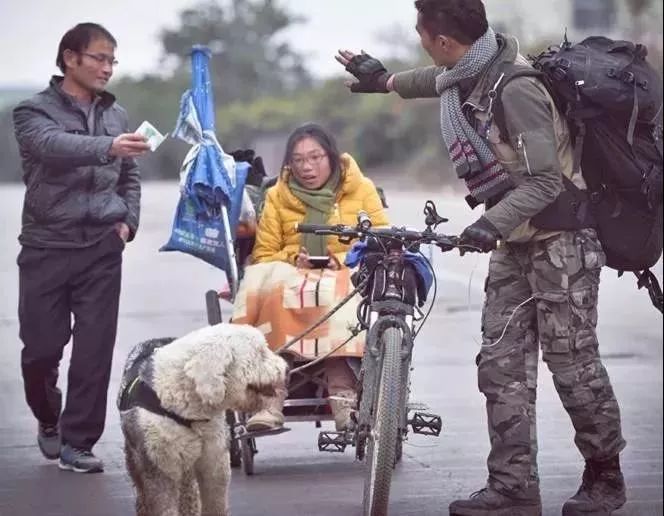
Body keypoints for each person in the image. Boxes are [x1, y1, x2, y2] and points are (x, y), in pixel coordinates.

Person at [336, 1, 626, 515]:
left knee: (573, 367)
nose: (421, 40)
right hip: (516, 245)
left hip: (561, 248)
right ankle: (513, 484)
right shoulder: (469, 72)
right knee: (500, 366)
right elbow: (433, 79)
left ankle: (605, 478)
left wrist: (488, 224)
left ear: (444, 41)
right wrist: (381, 81)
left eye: (422, 33)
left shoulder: (516, 90)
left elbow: (544, 181)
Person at [13, 22, 150, 473]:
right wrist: (108, 147)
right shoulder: (32, 112)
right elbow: (53, 147)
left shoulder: (117, 115)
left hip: (101, 247)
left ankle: (79, 443)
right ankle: (47, 416)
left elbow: (130, 177)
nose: (108, 68)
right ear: (70, 58)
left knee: (94, 350)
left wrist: (127, 221)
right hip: (46, 246)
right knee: (40, 351)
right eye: (100, 58)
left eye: (113, 60)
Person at [238, 122, 388, 433]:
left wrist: (344, 259)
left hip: (345, 274)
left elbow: (382, 239)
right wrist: (296, 258)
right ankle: (269, 403)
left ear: (331, 157)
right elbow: (264, 254)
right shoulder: (278, 195)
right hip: (293, 277)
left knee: (342, 296)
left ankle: (345, 403)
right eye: (298, 160)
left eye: (315, 157)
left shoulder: (360, 188)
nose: (307, 167)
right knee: (275, 290)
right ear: (289, 164)